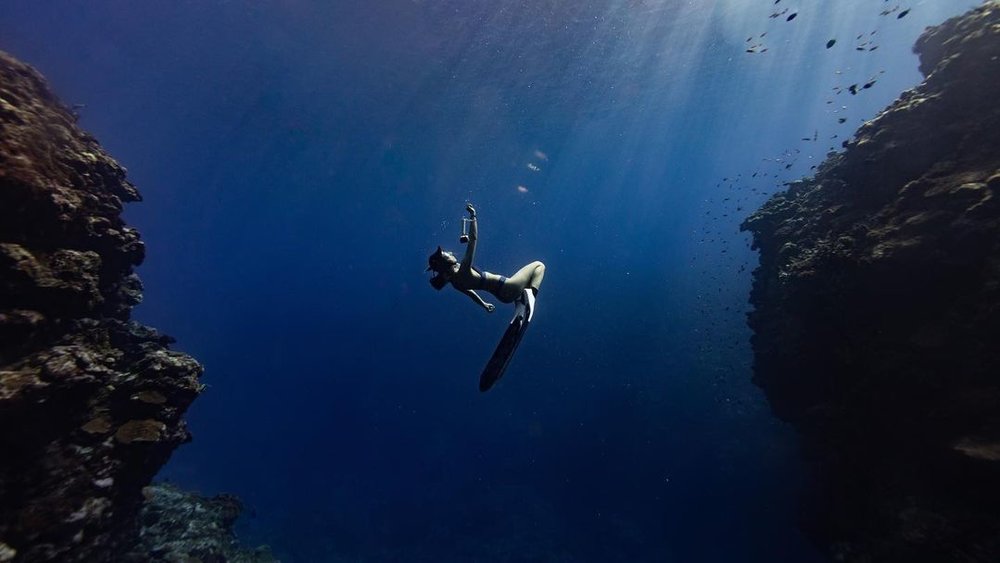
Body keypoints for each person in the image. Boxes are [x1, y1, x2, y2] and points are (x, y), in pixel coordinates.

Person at [427, 203, 545, 321]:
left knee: (529, 279)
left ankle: (521, 299)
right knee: (539, 265)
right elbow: (473, 240)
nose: (450, 253)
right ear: (443, 263)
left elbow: (471, 294)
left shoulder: (455, 283)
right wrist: (473, 216)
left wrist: (484, 304)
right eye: (445, 254)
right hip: (507, 287)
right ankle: (530, 298)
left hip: (502, 296)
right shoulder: (463, 270)